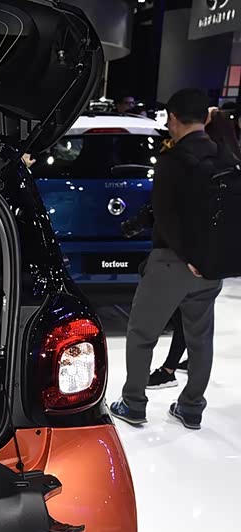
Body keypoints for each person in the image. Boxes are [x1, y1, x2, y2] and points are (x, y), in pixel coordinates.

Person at [110, 89, 225, 431]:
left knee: (142, 333)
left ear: (173, 118)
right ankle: (191, 408)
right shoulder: (225, 156)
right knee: (200, 339)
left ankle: (133, 404)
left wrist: (188, 257)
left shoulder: (173, 160)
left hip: (171, 262)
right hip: (210, 266)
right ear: (206, 117)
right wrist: (207, 259)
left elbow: (164, 216)